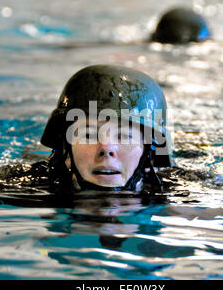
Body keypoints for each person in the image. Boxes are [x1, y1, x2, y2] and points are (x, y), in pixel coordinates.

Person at [42, 64, 174, 193]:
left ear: (150, 156)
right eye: (89, 135)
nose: (106, 148)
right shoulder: (29, 187)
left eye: (124, 137)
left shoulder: (180, 195)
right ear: (66, 150)